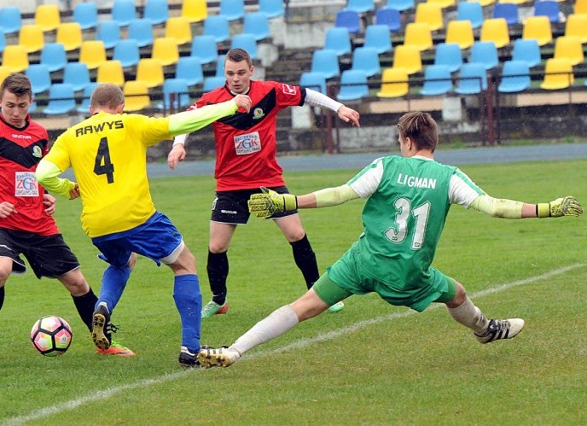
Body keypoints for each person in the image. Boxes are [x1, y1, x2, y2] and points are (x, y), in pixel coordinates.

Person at [197, 111, 583, 368]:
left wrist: (290, 201)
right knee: (457, 294)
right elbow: (497, 207)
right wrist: (549, 208)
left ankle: (234, 349)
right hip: (408, 273)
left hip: (363, 261)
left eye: (400, 138)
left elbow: (340, 194)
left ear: (409, 141)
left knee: (304, 305)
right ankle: (486, 330)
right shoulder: (449, 176)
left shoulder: (386, 166)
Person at [35, 83, 252, 367]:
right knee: (185, 264)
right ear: (120, 107)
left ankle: (103, 306)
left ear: (91, 109)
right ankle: (190, 348)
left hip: (98, 224)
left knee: (122, 263)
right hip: (137, 217)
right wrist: (230, 105)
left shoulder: (71, 136)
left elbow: (42, 173)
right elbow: (182, 122)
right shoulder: (131, 124)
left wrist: (65, 188)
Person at [0, 73, 134, 366]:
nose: (14, 111)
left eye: (21, 105)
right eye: (9, 105)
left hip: (38, 223)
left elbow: (39, 173)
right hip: (3, 224)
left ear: (30, 103)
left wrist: (46, 194)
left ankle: (105, 341)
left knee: (77, 282)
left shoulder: (39, 134)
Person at [168, 48, 361, 318]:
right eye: (230, 73)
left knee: (296, 234)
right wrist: (178, 145)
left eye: (240, 73)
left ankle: (319, 293)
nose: (235, 79)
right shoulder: (213, 100)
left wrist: (339, 107)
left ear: (251, 72)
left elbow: (307, 95)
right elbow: (185, 121)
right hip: (230, 184)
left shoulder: (270, 92)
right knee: (217, 246)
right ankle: (219, 300)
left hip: (267, 180)